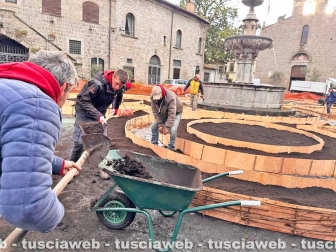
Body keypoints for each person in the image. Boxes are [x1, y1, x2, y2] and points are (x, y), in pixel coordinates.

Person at [0, 50, 81, 233]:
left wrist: (57, 164)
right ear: (63, 87)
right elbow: (28, 209)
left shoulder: (6, 86)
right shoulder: (37, 105)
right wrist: (58, 212)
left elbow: (11, 149)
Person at [70, 69, 132, 179]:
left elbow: (119, 95)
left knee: (102, 142)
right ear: (112, 77)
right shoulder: (96, 84)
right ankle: (70, 169)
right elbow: (84, 101)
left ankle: (102, 169)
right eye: (116, 83)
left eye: (121, 85)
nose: (117, 87)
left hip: (100, 113)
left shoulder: (120, 87)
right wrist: (98, 115)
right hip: (84, 113)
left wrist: (116, 108)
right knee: (79, 142)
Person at [150, 85, 183, 150]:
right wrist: (160, 124)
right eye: (155, 98)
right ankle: (154, 145)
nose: (157, 99)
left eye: (158, 97)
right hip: (164, 113)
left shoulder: (170, 97)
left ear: (161, 93)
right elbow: (155, 112)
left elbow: (172, 114)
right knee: (153, 127)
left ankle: (171, 148)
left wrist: (167, 127)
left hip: (176, 113)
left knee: (173, 130)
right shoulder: (152, 97)